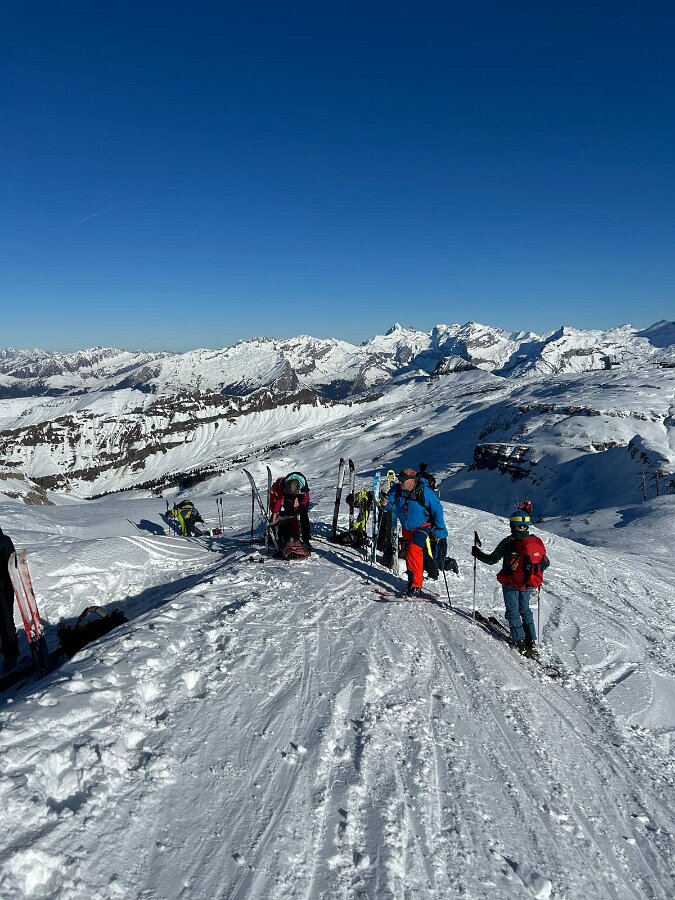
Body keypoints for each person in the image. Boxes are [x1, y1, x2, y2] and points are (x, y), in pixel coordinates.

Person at [471, 510, 549, 656]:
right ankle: (531, 640)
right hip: (528, 583)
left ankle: (519, 640)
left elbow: (491, 560)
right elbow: (545, 563)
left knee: (513, 611)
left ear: (512, 524)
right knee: (525, 609)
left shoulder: (509, 542)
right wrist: (532, 573)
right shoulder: (535, 541)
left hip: (511, 582)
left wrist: (477, 553)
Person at [380, 467, 448, 597]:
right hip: (407, 527)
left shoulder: (425, 492)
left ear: (412, 480)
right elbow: (389, 505)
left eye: (403, 480)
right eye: (400, 479)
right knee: (411, 554)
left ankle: (416, 585)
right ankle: (412, 582)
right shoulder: (396, 490)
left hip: (423, 526)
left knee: (413, 550)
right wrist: (384, 504)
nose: (400, 482)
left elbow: (437, 510)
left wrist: (439, 531)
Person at [269, 472, 311, 549]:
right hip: (288, 491)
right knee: (288, 512)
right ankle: (287, 533)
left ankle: (306, 539)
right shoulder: (284, 484)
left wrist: (299, 510)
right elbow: (278, 500)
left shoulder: (303, 486)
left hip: (300, 493)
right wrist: (275, 513)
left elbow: (305, 499)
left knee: (304, 515)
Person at [0, 526, 19, 671]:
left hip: (3, 589)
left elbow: (13, 565)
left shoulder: (4, 541)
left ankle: (10, 655)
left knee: (5, 621)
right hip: (4, 587)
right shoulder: (5, 540)